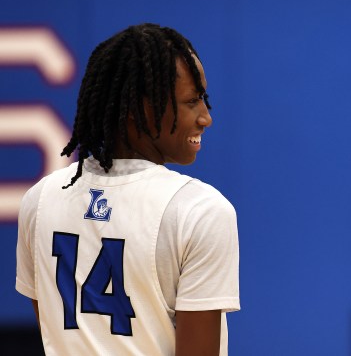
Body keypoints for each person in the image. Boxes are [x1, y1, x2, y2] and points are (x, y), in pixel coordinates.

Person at [15, 23, 239, 355]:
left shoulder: (39, 200)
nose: (205, 117)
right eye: (192, 102)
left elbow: (53, 329)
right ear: (139, 110)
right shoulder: (201, 210)